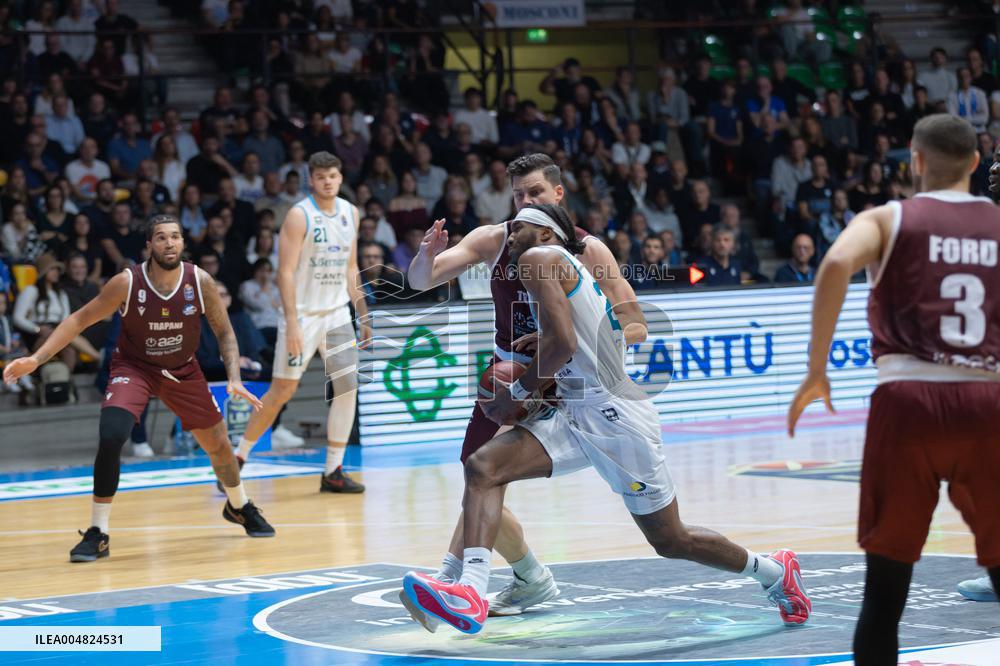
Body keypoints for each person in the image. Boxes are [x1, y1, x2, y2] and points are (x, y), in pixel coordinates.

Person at [403, 203, 811, 634]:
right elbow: (570, 337)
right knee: (483, 467)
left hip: (616, 419)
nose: (511, 229)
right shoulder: (553, 265)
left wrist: (518, 393)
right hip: (574, 411)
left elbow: (564, 344)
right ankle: (469, 589)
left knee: (671, 540)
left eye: (521, 225)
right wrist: (545, 345)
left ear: (546, 235)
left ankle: (773, 571)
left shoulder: (539, 259)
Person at [788, 114, 1000, 664]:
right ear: (976, 164)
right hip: (988, 402)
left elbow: (834, 262)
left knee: (885, 590)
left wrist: (817, 369)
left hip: (908, 402)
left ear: (916, 160)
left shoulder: (888, 218)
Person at [402, 153, 646, 629]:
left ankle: (456, 579)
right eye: (518, 195)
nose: (525, 203)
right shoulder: (496, 239)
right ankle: (524, 577)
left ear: (558, 194)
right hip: (508, 371)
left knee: (484, 477)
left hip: (568, 380)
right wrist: (426, 254)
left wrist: (591, 339)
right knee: (479, 478)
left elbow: (635, 322)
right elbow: (420, 280)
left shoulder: (588, 250)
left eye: (535, 192)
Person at [5, 217, 275, 558]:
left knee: (219, 444)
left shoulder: (199, 281)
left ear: (182, 243)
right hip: (134, 368)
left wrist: (234, 376)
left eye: (175, 237)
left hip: (182, 370)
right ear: (149, 245)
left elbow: (224, 332)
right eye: (161, 238)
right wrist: (37, 358)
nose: (169, 243)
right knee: (112, 433)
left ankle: (238, 505)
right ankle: (98, 531)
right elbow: (79, 319)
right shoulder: (127, 282)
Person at [233, 153, 369, 490]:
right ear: (311, 179)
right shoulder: (299, 216)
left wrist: (363, 312)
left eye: (333, 175)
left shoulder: (351, 213)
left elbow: (352, 267)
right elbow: (285, 272)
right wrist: (292, 323)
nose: (327, 181)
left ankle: (333, 471)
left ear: (340, 177)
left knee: (347, 387)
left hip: (337, 313)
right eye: (321, 176)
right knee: (282, 390)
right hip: (303, 315)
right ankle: (237, 458)